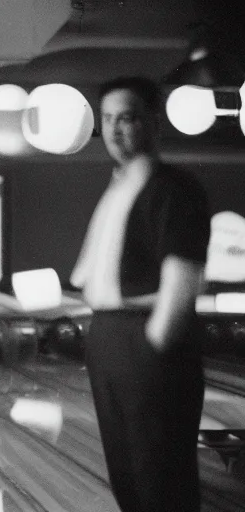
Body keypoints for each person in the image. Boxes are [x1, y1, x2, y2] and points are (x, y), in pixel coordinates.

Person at [70, 76, 210, 512]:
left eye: (126, 118)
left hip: (143, 342)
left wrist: (155, 345)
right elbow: (96, 282)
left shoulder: (173, 188)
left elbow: (183, 279)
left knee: (159, 475)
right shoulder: (117, 187)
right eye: (107, 119)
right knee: (128, 473)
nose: (113, 130)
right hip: (110, 337)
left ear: (154, 122)